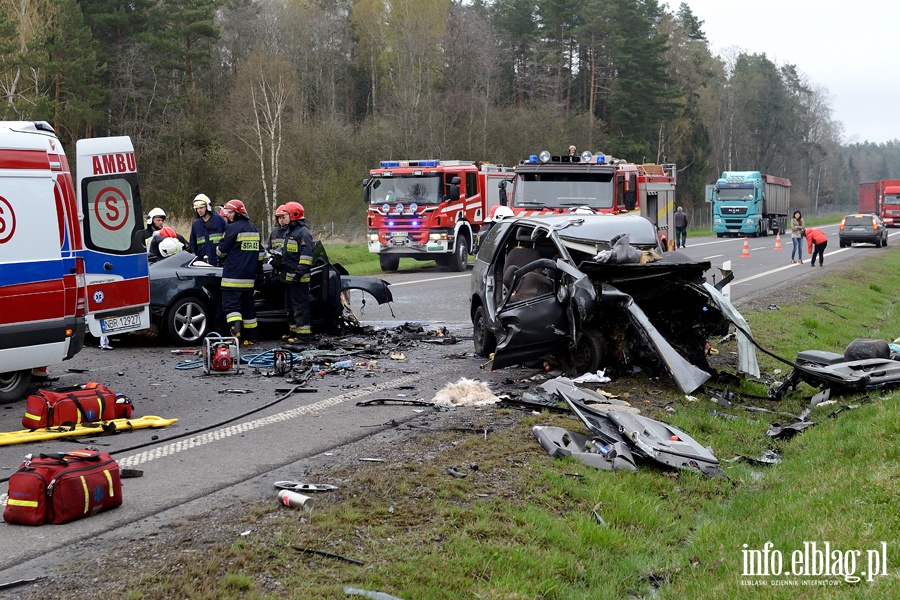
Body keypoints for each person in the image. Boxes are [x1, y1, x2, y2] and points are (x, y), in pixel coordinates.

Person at [216, 199, 263, 345]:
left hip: (232, 278)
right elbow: (260, 254)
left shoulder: (232, 228)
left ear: (237, 213)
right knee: (248, 308)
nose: (228, 215)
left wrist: (219, 253)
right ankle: (252, 338)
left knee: (232, 308)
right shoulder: (254, 229)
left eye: (230, 212)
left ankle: (234, 337)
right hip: (249, 279)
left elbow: (221, 252)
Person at [279, 201, 314, 344]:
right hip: (290, 278)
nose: (283, 217)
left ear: (294, 215)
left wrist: (299, 274)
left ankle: (303, 336)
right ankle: (293, 332)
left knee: (300, 307)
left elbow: (306, 256)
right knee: (290, 307)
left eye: (286, 215)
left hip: (300, 279)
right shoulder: (290, 232)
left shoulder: (303, 233)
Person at [189, 193, 228, 265]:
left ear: (207, 207)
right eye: (197, 208)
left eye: (201, 208)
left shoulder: (219, 220)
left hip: (218, 262)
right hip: (201, 263)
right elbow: (192, 244)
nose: (199, 210)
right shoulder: (196, 225)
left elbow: (228, 237)